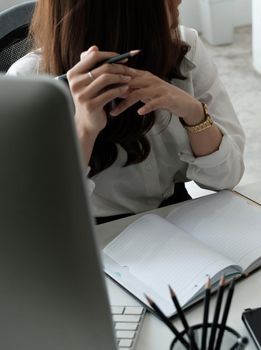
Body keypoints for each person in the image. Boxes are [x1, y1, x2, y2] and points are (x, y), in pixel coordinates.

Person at [8, 0, 245, 222]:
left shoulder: (185, 48)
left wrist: (193, 113)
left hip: (174, 219)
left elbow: (227, 177)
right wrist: (85, 129)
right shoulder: (29, 83)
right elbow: (39, 218)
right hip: (89, 234)